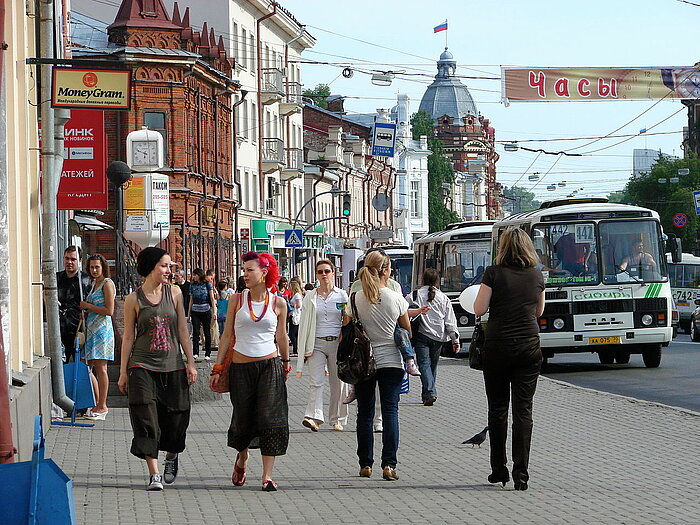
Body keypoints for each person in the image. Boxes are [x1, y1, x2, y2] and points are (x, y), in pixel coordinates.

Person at [118, 247, 197, 491]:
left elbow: (182, 330)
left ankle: (171, 455)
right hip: (142, 366)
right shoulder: (133, 299)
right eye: (164, 266)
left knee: (177, 416)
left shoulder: (174, 294)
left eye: (170, 266)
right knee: (145, 417)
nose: (169, 270)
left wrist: (190, 362)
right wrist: (123, 372)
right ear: (152, 267)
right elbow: (129, 337)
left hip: (172, 365)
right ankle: (154, 474)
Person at [210, 252, 290, 492]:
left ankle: (266, 476)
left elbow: (281, 335)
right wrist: (218, 365)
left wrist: (286, 363)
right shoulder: (237, 300)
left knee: (270, 419)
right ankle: (242, 457)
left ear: (264, 272)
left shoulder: (278, 303)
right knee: (243, 417)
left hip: (269, 365)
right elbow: (226, 336)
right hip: (241, 367)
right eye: (244, 270)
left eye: (249, 270)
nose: (244, 274)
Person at [473, 227, 545, 491]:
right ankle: (521, 474)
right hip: (529, 345)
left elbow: (479, 309)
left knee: (498, 408)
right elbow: (539, 311)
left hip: (498, 346)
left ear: (503, 248)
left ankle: (498, 469)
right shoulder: (536, 276)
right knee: (523, 411)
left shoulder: (493, 273)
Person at [348, 250, 411, 481]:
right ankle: (389, 465)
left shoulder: (356, 298)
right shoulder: (395, 298)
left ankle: (365, 464)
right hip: (391, 361)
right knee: (390, 411)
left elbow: (347, 327)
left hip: (364, 362)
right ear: (385, 270)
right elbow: (407, 332)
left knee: (364, 414)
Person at [295, 260, 350, 432]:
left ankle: (337, 418)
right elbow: (304, 323)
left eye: (327, 271)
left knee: (338, 383)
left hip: (336, 342)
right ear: (316, 275)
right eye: (320, 272)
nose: (324, 274)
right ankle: (314, 417)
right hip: (316, 343)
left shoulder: (341, 295)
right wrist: (302, 348)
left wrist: (344, 333)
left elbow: (347, 317)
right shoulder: (310, 296)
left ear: (333, 272)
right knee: (316, 382)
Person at [408, 269, 460, 406]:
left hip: (422, 335)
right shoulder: (444, 298)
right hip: (438, 338)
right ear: (437, 281)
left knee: (424, 365)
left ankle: (429, 392)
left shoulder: (414, 295)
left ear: (422, 279)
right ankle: (428, 394)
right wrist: (455, 340)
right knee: (432, 366)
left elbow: (403, 310)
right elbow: (450, 321)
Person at [79, 254, 115, 420]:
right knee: (87, 365)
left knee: (101, 368)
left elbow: (109, 310)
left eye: (97, 267)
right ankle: (96, 402)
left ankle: (102, 405)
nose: (94, 270)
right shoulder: (94, 283)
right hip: (91, 329)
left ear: (103, 267)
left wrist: (88, 306)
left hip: (102, 330)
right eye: (92, 267)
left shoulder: (107, 284)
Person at [56, 245, 92, 362]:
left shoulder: (87, 280)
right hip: (59, 330)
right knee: (60, 367)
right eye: (67, 258)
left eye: (73, 259)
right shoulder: (56, 278)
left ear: (80, 260)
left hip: (78, 330)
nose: (69, 262)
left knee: (80, 367)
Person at [188, 268, 215, 361]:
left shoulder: (207, 284)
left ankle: (208, 353)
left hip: (206, 310)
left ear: (199, 275)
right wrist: (188, 314)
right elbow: (191, 300)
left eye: (195, 275)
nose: (194, 277)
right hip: (195, 310)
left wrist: (214, 311)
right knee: (196, 332)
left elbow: (211, 298)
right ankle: (195, 352)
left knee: (207, 331)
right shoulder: (192, 286)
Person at [288, 279, 304, 357]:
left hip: (295, 315)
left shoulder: (297, 295)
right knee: (296, 334)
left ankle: (295, 349)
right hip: (294, 315)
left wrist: (291, 305)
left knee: (292, 334)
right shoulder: (295, 295)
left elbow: (298, 305)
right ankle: (297, 349)